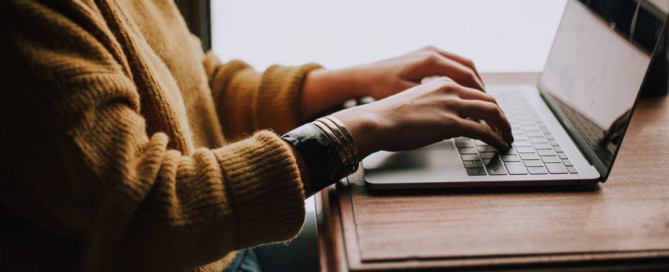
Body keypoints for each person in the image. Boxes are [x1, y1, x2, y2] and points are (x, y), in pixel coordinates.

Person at [0, 0, 513, 271]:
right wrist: (358, 128)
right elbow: (147, 212)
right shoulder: (26, 20)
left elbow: (196, 85)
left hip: (218, 247)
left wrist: (355, 81)